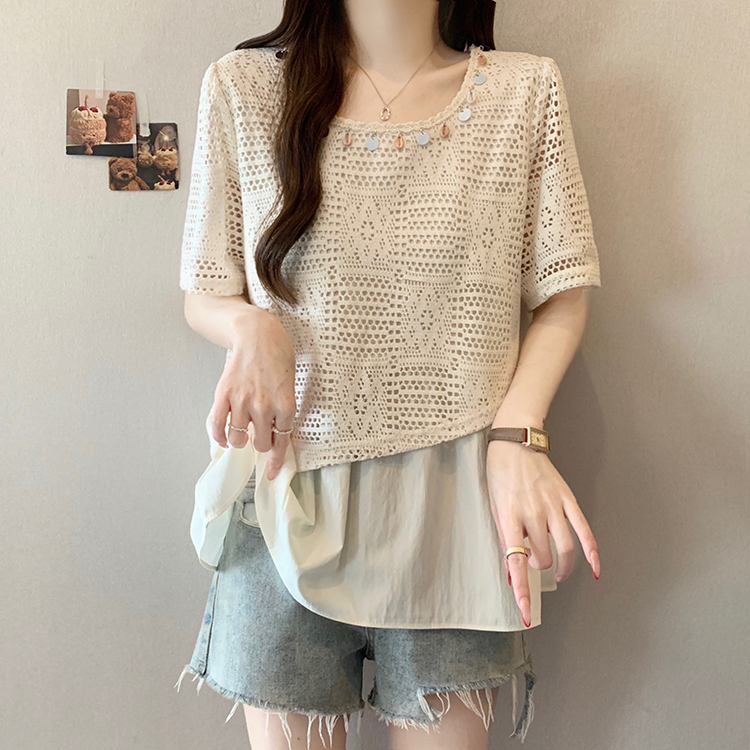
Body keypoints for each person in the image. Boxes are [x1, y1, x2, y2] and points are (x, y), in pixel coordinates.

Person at [173, 1, 603, 749]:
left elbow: (562, 291)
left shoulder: (524, 93)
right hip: (284, 493)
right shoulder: (242, 89)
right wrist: (252, 326)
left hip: (457, 511)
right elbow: (205, 287)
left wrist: (518, 434)